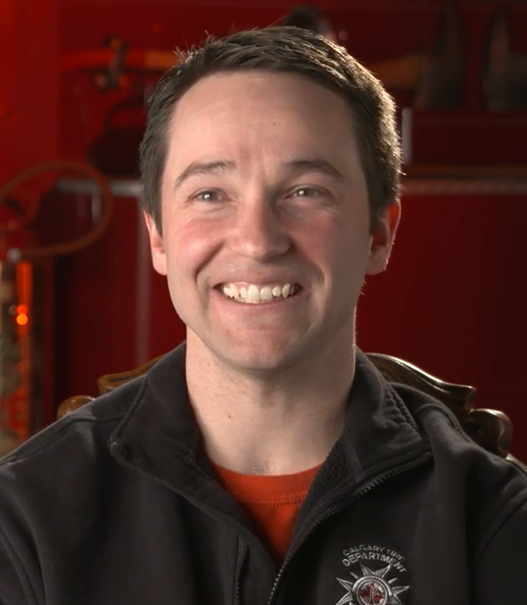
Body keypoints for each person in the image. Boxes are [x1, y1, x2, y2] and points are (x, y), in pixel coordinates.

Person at [0, 26, 526, 605]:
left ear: (380, 233)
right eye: (210, 194)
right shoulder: (28, 515)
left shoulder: (491, 516)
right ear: (157, 236)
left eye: (304, 191)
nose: (256, 240)